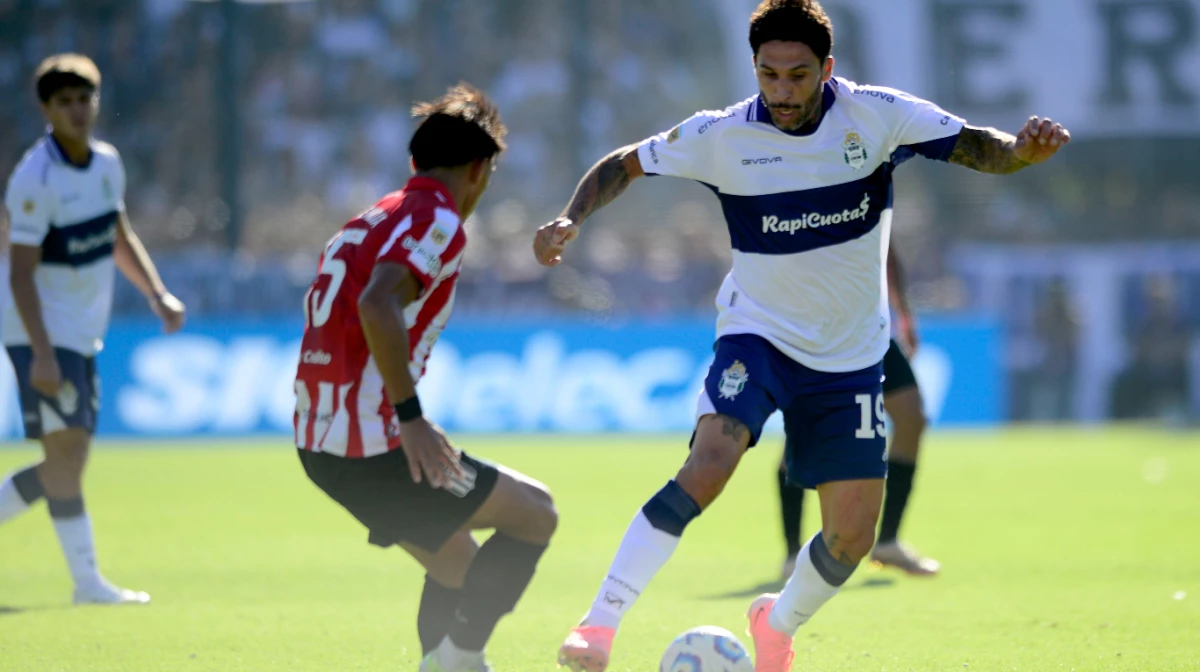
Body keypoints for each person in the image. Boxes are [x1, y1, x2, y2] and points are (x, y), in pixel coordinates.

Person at [533, 2, 1070, 670]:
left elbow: (978, 146)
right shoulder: (721, 135)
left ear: (827, 68)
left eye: (798, 75)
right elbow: (624, 163)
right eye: (769, 74)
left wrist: (1021, 153)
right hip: (758, 336)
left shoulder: (877, 115)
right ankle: (599, 625)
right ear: (754, 68)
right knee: (710, 464)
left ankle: (776, 623)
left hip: (850, 355)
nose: (782, 91)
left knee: (851, 537)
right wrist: (571, 218)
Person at [292, 83, 557, 672]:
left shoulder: (375, 216)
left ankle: (447, 662)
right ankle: (460, 660)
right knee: (535, 514)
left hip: (319, 440)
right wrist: (409, 417)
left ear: (416, 162)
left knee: (457, 563)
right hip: (371, 444)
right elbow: (377, 303)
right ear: (479, 168)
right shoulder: (438, 219)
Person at [0, 53, 186, 605]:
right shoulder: (35, 180)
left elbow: (118, 235)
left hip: (80, 331)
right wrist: (41, 353)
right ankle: (87, 584)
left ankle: (87, 583)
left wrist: (156, 293)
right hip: (40, 330)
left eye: (85, 99)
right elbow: (20, 273)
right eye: (66, 102)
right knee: (69, 454)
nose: (78, 110)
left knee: (68, 458)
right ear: (46, 109)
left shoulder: (107, 164)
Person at [777, 242, 939, 580]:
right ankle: (792, 553)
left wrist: (903, 312)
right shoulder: (803, 209)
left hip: (868, 326)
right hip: (814, 327)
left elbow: (886, 249)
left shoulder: (872, 208)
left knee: (911, 418)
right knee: (804, 433)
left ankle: (888, 542)